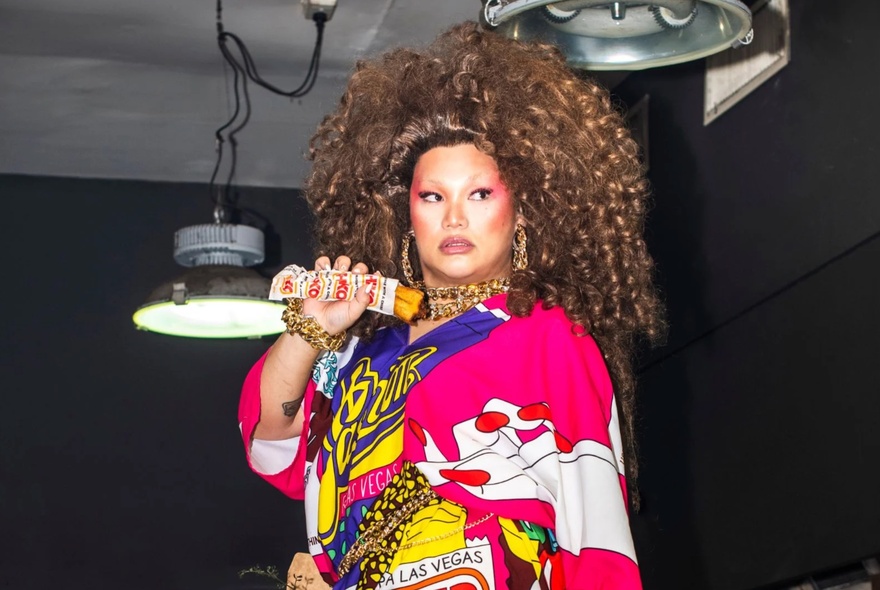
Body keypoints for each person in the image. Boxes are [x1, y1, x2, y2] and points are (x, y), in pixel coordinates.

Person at [238, 21, 664, 590]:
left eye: (480, 194)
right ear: (405, 215)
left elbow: (597, 530)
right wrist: (309, 330)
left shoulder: (549, 338)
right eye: (433, 196)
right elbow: (273, 444)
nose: (455, 218)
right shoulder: (362, 343)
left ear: (523, 210)